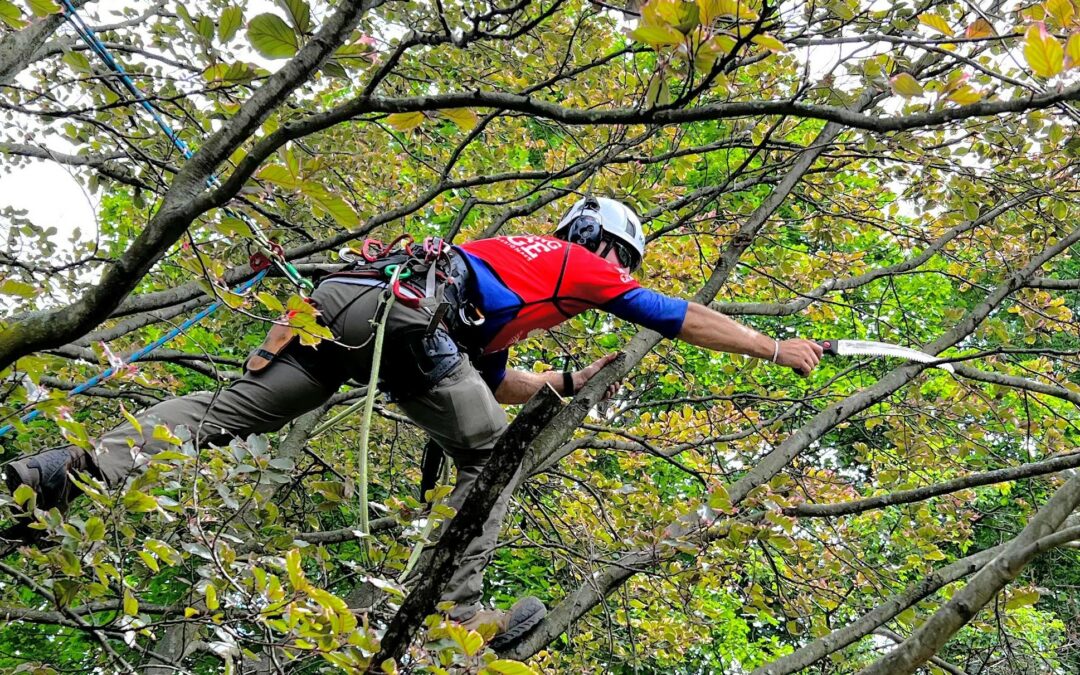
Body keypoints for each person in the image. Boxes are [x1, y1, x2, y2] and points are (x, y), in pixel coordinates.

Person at [3, 196, 823, 649]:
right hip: (407, 326)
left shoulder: (507, 279)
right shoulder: (575, 263)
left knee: (221, 416)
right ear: (598, 246)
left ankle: (46, 479)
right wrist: (772, 344)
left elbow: (494, 382)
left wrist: (570, 379)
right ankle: (455, 610)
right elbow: (672, 314)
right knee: (494, 458)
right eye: (619, 261)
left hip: (350, 308)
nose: (617, 279)